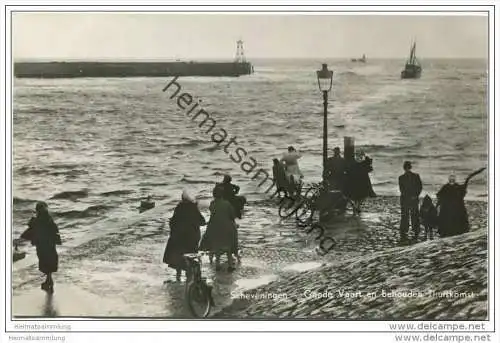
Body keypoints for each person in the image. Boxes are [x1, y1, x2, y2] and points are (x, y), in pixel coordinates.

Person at [163, 190, 206, 282]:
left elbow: (172, 222)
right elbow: (202, 222)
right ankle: (188, 277)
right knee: (190, 256)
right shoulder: (193, 208)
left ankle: (178, 277)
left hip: (178, 237)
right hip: (191, 238)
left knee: (179, 254)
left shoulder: (179, 207)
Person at [436, 167, 485, 238]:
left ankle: (456, 231)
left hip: (456, 207)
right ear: (449, 180)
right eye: (451, 179)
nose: (452, 180)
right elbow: (440, 196)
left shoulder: (455, 187)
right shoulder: (446, 187)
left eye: (453, 179)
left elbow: (462, 191)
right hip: (450, 207)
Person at [24, 202, 61, 293]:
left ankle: (49, 281)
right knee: (50, 260)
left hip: (41, 245)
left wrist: (20, 239)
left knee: (44, 261)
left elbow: (30, 231)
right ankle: (49, 280)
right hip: (50, 244)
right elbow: (55, 230)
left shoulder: (37, 220)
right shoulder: (49, 219)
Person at [199, 185, 238, 272]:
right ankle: (230, 264)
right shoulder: (227, 203)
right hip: (226, 227)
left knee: (217, 245)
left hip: (214, 226)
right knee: (228, 245)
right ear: (222, 194)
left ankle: (217, 264)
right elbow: (232, 215)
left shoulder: (212, 204)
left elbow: (213, 212)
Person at [398, 161, 423, 241]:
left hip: (410, 199)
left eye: (408, 168)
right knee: (408, 215)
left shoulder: (413, 176)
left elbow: (419, 187)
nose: (407, 169)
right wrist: (413, 196)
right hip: (408, 199)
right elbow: (402, 189)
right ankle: (408, 230)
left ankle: (412, 230)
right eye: (407, 168)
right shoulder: (403, 177)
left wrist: (415, 196)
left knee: (411, 215)